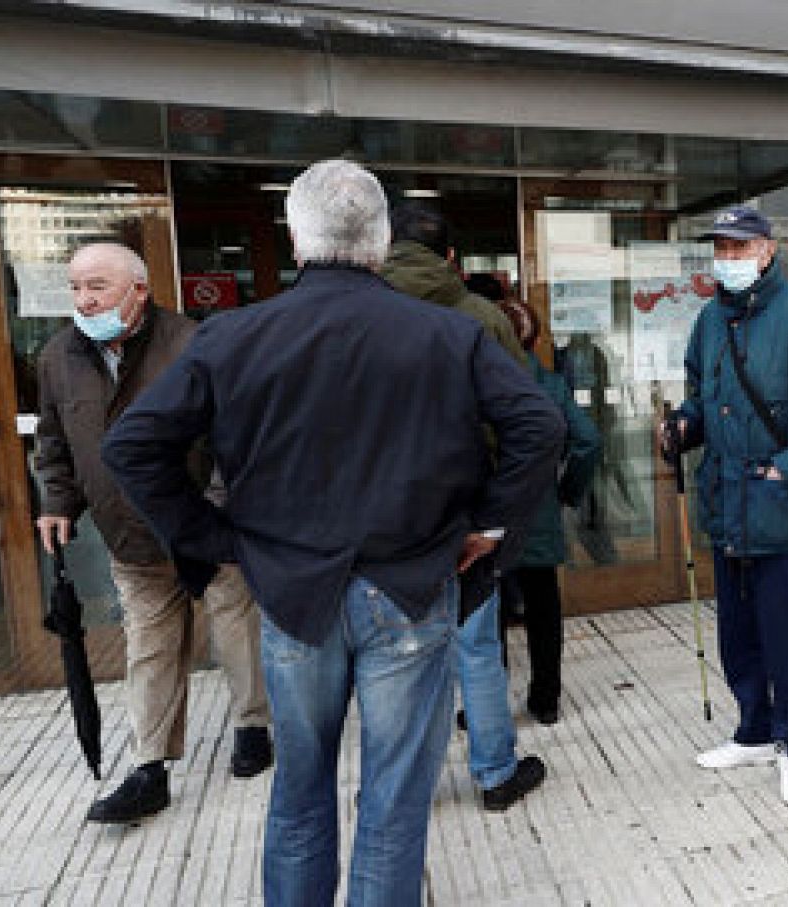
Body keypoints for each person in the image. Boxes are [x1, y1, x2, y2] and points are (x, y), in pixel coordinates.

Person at [102, 159, 565, 905]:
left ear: (294, 237)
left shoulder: (234, 335)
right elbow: (540, 426)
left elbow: (130, 445)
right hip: (410, 588)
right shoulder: (448, 333)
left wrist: (218, 539)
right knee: (391, 801)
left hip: (294, 594)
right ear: (380, 242)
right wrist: (489, 527)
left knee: (300, 789)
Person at [34, 241, 271, 825]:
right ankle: (150, 767)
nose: (84, 301)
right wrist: (58, 501)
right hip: (129, 536)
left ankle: (252, 727)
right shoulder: (58, 356)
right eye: (77, 289)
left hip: (205, 529)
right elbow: (53, 438)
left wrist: (216, 512)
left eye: (97, 287)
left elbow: (232, 440)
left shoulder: (192, 343)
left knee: (236, 629)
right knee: (150, 646)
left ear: (139, 290)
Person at [659, 204, 788, 807]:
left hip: (776, 505)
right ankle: (752, 729)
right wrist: (682, 426)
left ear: (767, 251)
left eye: (739, 249)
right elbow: (701, 395)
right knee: (737, 631)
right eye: (720, 249)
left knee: (782, 633)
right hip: (725, 504)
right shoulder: (709, 320)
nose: (728, 260)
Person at [382, 201, 547, 810]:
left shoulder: (357, 314)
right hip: (466, 509)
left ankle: (399, 787)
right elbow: (523, 422)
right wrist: (497, 512)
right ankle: (495, 773)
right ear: (451, 258)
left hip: (379, 513)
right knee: (476, 645)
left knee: (393, 657)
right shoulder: (483, 318)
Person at [496, 299, 603, 724]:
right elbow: (589, 441)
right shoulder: (552, 387)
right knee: (544, 609)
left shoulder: (477, 383)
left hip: (488, 518)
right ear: (536, 340)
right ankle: (546, 699)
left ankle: (488, 705)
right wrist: (566, 491)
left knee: (488, 617)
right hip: (538, 513)